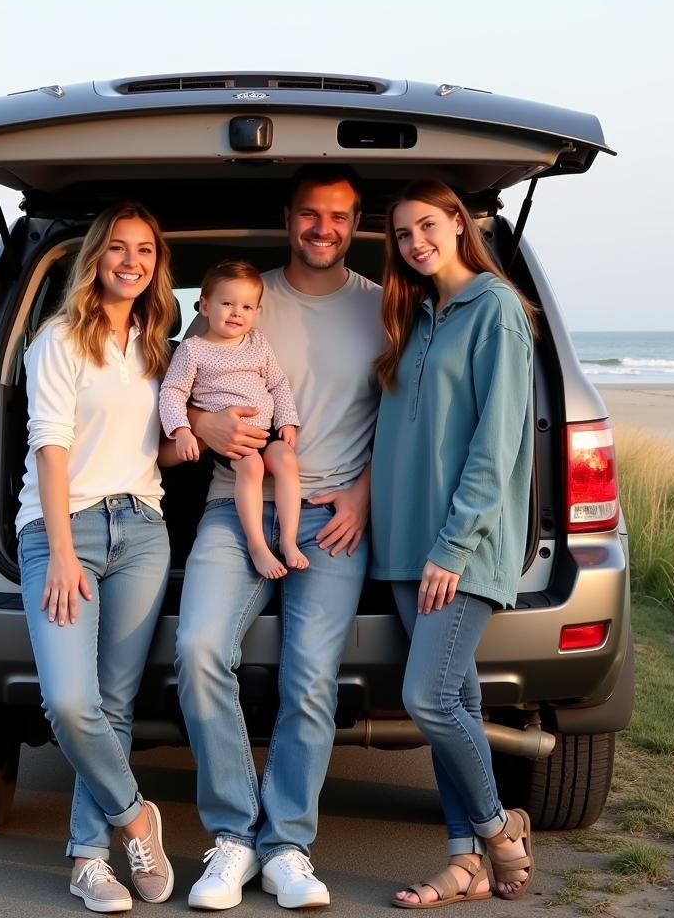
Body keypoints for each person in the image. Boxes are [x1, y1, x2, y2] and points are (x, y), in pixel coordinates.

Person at [175, 165, 384, 910]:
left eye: (337, 216)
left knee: (310, 679)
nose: (322, 228)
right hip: (235, 507)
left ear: (355, 223)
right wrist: (201, 427)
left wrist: (364, 495)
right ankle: (233, 836)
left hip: (334, 519)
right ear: (288, 218)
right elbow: (180, 386)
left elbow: (410, 416)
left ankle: (287, 844)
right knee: (199, 650)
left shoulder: (381, 307)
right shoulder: (247, 301)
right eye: (309, 214)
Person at [369, 180, 537, 907]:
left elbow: (495, 446)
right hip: (405, 546)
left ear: (458, 224)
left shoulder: (495, 309)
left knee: (428, 699)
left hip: (460, 549)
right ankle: (462, 862)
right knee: (457, 703)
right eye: (403, 233)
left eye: (427, 225)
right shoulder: (419, 313)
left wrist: (454, 545)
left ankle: (502, 831)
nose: (416, 242)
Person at [15, 201, 182, 913]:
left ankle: (89, 859)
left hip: (143, 528)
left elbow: (160, 446)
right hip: (66, 530)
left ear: (156, 265)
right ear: (96, 257)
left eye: (145, 250)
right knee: (70, 701)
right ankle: (136, 818)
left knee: (114, 704)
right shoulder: (59, 339)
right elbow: (50, 450)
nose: (132, 261)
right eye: (119, 247)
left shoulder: (155, 342)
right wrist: (58, 553)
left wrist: (212, 429)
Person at [159, 260, 306, 580]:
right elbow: (172, 391)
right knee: (251, 467)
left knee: (285, 459)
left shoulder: (257, 342)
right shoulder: (193, 350)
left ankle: (290, 541)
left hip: (264, 430)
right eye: (227, 304)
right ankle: (257, 545)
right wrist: (182, 430)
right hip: (227, 436)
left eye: (247, 306)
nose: (237, 312)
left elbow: (278, 382)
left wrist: (287, 421)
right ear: (205, 306)